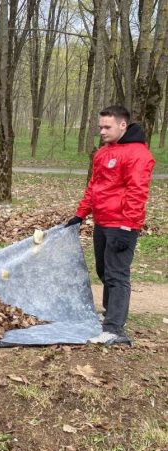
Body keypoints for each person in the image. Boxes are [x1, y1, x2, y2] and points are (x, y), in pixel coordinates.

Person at [66, 105, 154, 346]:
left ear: (122, 125)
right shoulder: (103, 152)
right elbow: (94, 187)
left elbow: (138, 192)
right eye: (100, 127)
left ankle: (115, 329)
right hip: (102, 222)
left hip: (122, 224)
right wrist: (81, 214)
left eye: (107, 127)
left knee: (117, 275)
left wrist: (128, 227)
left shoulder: (138, 154)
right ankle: (109, 315)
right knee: (104, 271)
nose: (102, 131)